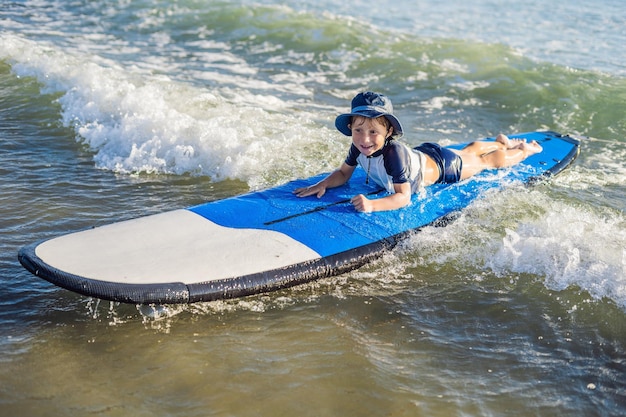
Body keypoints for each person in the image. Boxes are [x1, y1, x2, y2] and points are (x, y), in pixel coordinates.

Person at [294, 91, 543, 212]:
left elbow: (403, 197)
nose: (365, 139)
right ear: (351, 128)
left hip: (445, 167)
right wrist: (323, 183)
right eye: (359, 130)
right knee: (470, 150)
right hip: (423, 154)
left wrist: (372, 205)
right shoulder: (357, 147)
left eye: (373, 133)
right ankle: (501, 140)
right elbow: (343, 173)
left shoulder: (393, 155)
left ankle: (520, 149)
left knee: (487, 161)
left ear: (388, 132)